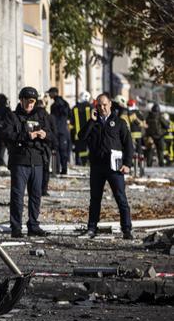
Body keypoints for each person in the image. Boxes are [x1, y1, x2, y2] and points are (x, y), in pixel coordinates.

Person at [0, 87, 52, 238]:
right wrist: (26, 135)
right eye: (27, 101)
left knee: (36, 196)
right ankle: (16, 228)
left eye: (32, 101)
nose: (29, 104)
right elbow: (6, 134)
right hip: (19, 161)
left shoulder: (41, 115)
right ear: (21, 100)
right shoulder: (12, 116)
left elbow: (53, 134)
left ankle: (33, 225)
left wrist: (44, 134)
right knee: (17, 196)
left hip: (38, 161)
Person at [78, 93, 134, 239]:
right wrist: (91, 121)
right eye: (99, 105)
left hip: (114, 168)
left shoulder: (119, 122)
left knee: (121, 198)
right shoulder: (93, 122)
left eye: (104, 104)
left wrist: (127, 164)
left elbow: (128, 145)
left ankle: (127, 229)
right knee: (95, 199)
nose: (102, 108)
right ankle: (91, 228)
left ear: (110, 104)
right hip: (97, 166)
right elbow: (81, 137)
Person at [47, 87, 71, 174]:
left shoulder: (55, 105)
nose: (49, 95)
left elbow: (53, 119)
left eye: (50, 93)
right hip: (63, 130)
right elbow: (69, 115)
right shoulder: (65, 103)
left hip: (58, 130)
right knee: (62, 150)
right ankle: (62, 169)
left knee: (58, 150)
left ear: (54, 93)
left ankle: (59, 169)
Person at [38, 95, 58, 196]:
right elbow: (54, 133)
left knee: (37, 169)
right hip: (47, 146)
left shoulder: (34, 117)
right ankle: (44, 189)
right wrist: (55, 146)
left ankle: (37, 189)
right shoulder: (50, 117)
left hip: (36, 147)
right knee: (46, 169)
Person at [71, 91, 93, 166]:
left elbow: (71, 122)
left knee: (78, 150)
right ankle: (86, 162)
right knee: (88, 149)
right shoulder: (91, 107)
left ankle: (80, 162)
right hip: (89, 134)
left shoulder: (75, 108)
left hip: (77, 134)